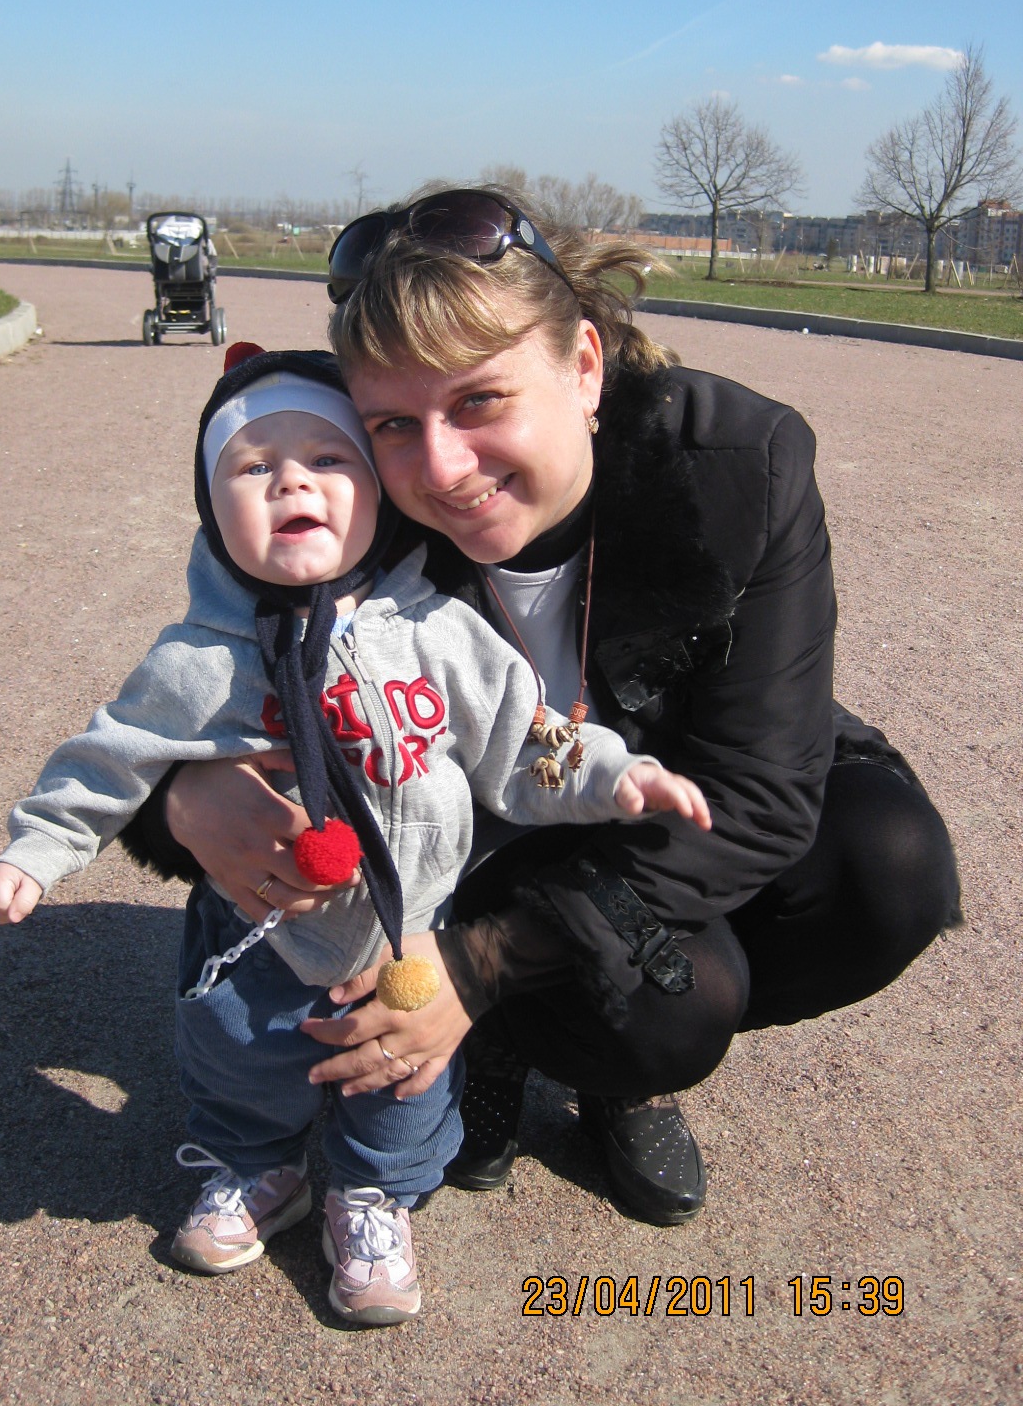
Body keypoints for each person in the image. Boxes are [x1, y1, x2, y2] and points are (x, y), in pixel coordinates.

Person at [123, 186, 961, 1229]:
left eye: (481, 401)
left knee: (891, 866)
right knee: (675, 1005)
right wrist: (181, 795)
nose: (442, 469)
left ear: (585, 367)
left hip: (658, 783)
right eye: (394, 422)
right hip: (472, 831)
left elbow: (759, 790)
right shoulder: (345, 486)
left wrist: (476, 967)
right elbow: (186, 687)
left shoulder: (738, 464)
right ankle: (511, 1051)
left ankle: (554, 1043)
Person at [0, 347, 711, 1326]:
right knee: (239, 1052)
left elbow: (522, 734)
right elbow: (113, 757)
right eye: (253, 466)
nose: (291, 482)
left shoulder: (435, 629)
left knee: (403, 1076)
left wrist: (615, 774)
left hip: (407, 929)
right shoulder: (200, 659)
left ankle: (374, 1196)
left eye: (328, 460)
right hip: (258, 926)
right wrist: (35, 849)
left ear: (377, 496)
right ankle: (256, 1167)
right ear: (210, 507)